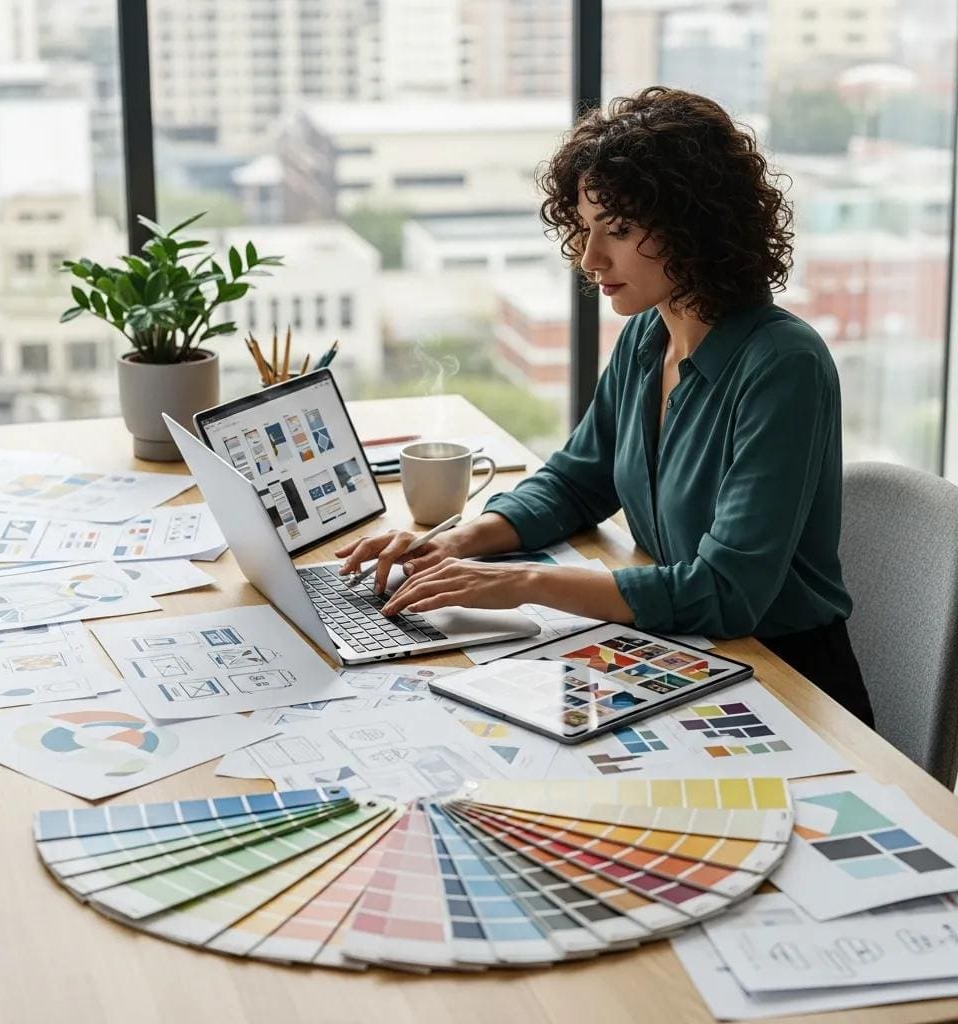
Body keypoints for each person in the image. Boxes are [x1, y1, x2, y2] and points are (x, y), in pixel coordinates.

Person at [336, 86, 875, 727]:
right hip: (686, 652)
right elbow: (576, 483)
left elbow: (726, 592)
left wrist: (523, 584)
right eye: (586, 229)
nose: (590, 259)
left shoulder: (783, 365)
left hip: (788, 682)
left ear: (695, 227)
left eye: (618, 230)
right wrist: (453, 544)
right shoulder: (649, 336)